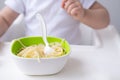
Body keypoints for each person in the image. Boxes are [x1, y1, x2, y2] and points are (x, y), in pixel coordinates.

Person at [0, 0, 110, 45]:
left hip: (72, 54)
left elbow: (104, 20)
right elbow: (5, 18)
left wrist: (84, 14)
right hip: (34, 53)